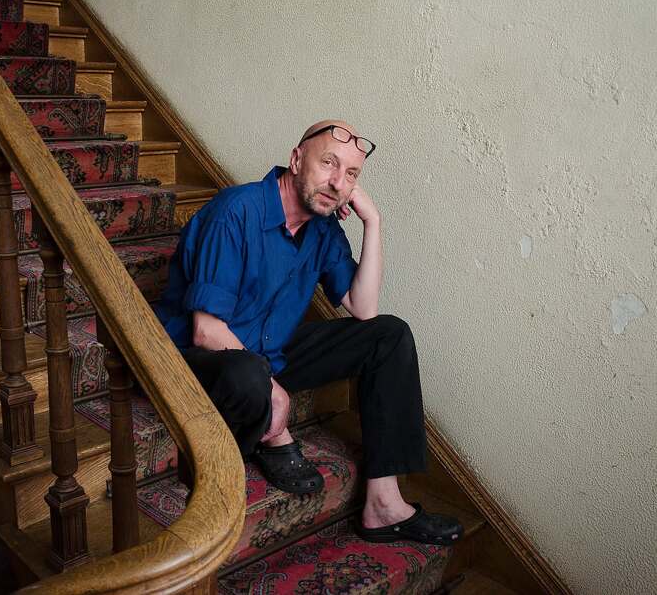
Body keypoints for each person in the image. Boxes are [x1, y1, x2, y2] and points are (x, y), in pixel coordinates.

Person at [155, 119, 463, 545]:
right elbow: (206, 331)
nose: (337, 182)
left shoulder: (323, 230)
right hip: (202, 358)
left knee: (388, 335)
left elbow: (363, 307)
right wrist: (275, 392)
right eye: (329, 164)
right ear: (297, 160)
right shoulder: (237, 210)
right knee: (247, 375)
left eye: (351, 174)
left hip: (269, 351)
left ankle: (383, 503)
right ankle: (265, 440)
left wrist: (373, 222)